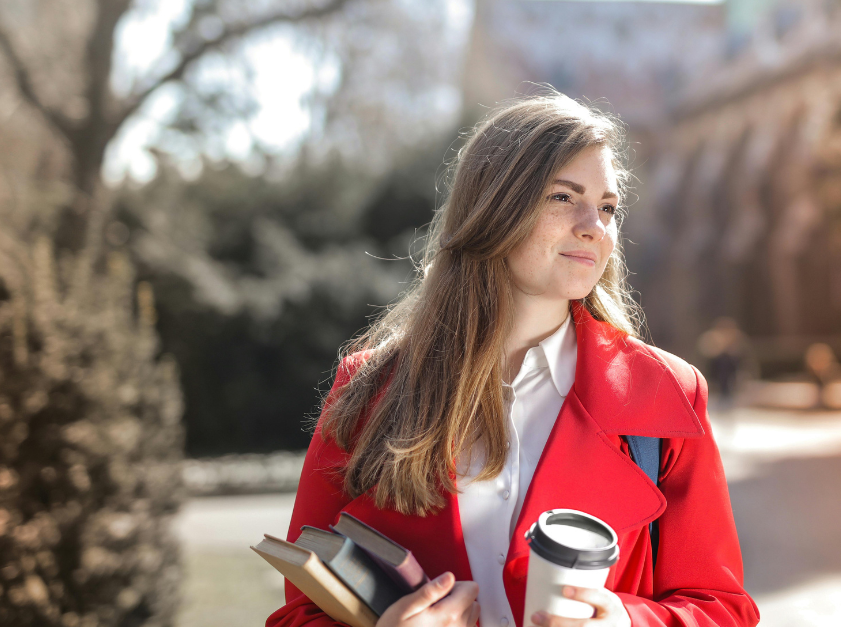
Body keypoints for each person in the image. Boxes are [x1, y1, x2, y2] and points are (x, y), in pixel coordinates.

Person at [266, 93, 758, 627]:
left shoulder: (667, 392)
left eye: (609, 207)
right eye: (564, 197)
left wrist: (630, 622)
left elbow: (723, 608)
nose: (595, 225)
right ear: (494, 208)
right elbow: (300, 613)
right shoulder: (368, 388)